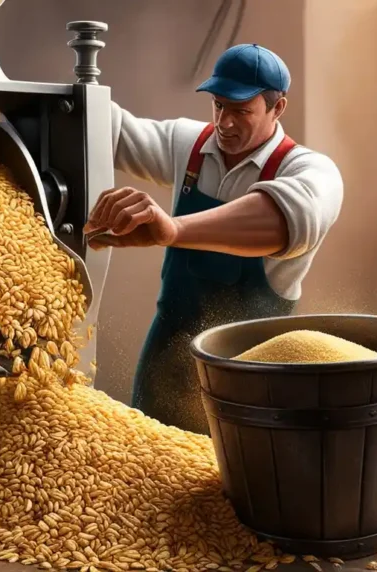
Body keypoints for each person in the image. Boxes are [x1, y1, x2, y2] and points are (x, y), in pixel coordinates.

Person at [84, 43, 344, 435]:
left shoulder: (310, 170)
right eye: (219, 106)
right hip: (169, 348)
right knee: (148, 466)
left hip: (252, 370)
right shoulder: (190, 146)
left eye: (241, 111)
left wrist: (174, 230)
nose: (224, 122)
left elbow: (287, 218)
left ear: (278, 108)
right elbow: (111, 131)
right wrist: (71, 96)